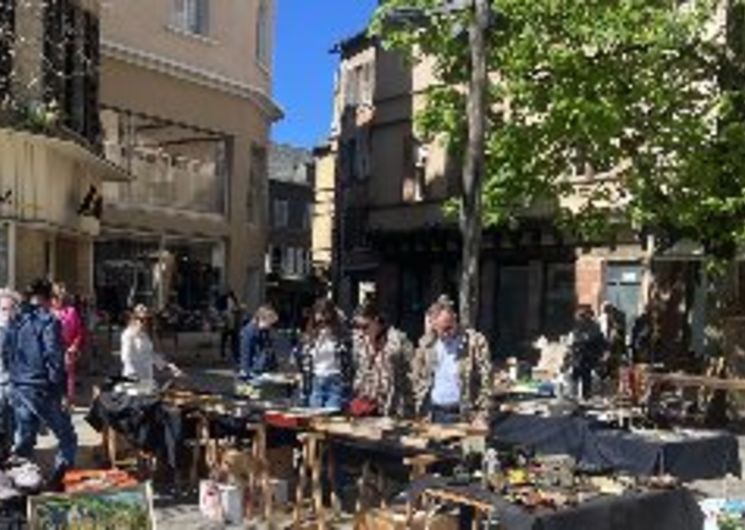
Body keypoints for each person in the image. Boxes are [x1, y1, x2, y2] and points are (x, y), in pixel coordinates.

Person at [9, 279, 77, 488]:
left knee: (25, 439)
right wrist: (61, 392)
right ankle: (58, 481)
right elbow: (54, 359)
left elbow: (7, 352)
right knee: (67, 437)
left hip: (19, 387)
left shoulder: (17, 319)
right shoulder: (48, 321)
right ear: (49, 299)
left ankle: (22, 487)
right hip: (40, 388)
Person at [411, 295, 493, 425]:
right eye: (441, 330)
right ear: (433, 326)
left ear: (455, 319)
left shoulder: (475, 342)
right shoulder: (426, 344)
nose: (446, 333)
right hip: (433, 413)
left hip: (464, 414)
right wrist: (418, 408)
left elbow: (486, 381)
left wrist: (482, 414)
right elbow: (417, 378)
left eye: (449, 327)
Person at [351, 302, 415, 417]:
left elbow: (413, 373)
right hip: (368, 406)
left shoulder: (398, 341)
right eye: (357, 326)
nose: (361, 331)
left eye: (365, 326)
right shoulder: (360, 341)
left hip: (394, 406)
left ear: (376, 321)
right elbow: (360, 371)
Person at [296, 299, 352, 409]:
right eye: (318, 313)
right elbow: (301, 359)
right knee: (315, 419)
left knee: (331, 417)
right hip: (316, 379)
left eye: (325, 313)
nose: (321, 318)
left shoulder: (341, 334)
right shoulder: (309, 334)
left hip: (335, 380)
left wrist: (335, 333)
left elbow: (348, 359)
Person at [120, 304, 182, 391]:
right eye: (140, 319)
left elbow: (150, 354)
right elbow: (125, 358)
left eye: (146, 320)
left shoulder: (144, 335)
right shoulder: (128, 335)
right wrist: (134, 375)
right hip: (133, 377)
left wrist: (169, 366)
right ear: (133, 319)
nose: (143, 322)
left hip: (147, 376)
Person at [51, 283, 84, 405]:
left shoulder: (71, 312)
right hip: (51, 350)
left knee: (67, 375)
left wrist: (74, 346)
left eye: (60, 297)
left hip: (67, 349)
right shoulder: (47, 313)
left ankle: (67, 400)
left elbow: (79, 331)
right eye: (54, 297)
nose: (57, 300)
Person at [569, 306, 607, 400]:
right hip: (580, 355)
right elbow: (574, 340)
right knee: (577, 375)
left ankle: (584, 395)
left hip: (587, 355)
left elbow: (597, 340)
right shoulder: (579, 326)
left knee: (584, 375)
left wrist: (601, 353)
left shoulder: (593, 327)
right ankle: (575, 395)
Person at [0, 289, 19, 460]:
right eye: (3, 309)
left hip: (16, 386)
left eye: (10, 309)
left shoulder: (22, 331)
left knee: (14, 425)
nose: (7, 313)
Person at [238, 305, 278, 380]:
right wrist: (245, 370)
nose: (271, 326)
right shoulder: (249, 332)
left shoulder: (264, 331)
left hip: (260, 368)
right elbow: (245, 352)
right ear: (262, 319)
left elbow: (267, 348)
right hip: (253, 370)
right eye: (270, 323)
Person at [218, 290, 240, 363]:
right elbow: (221, 310)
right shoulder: (224, 300)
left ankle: (232, 354)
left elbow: (236, 309)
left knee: (232, 340)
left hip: (232, 322)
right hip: (227, 322)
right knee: (225, 339)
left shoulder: (234, 300)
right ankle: (224, 355)